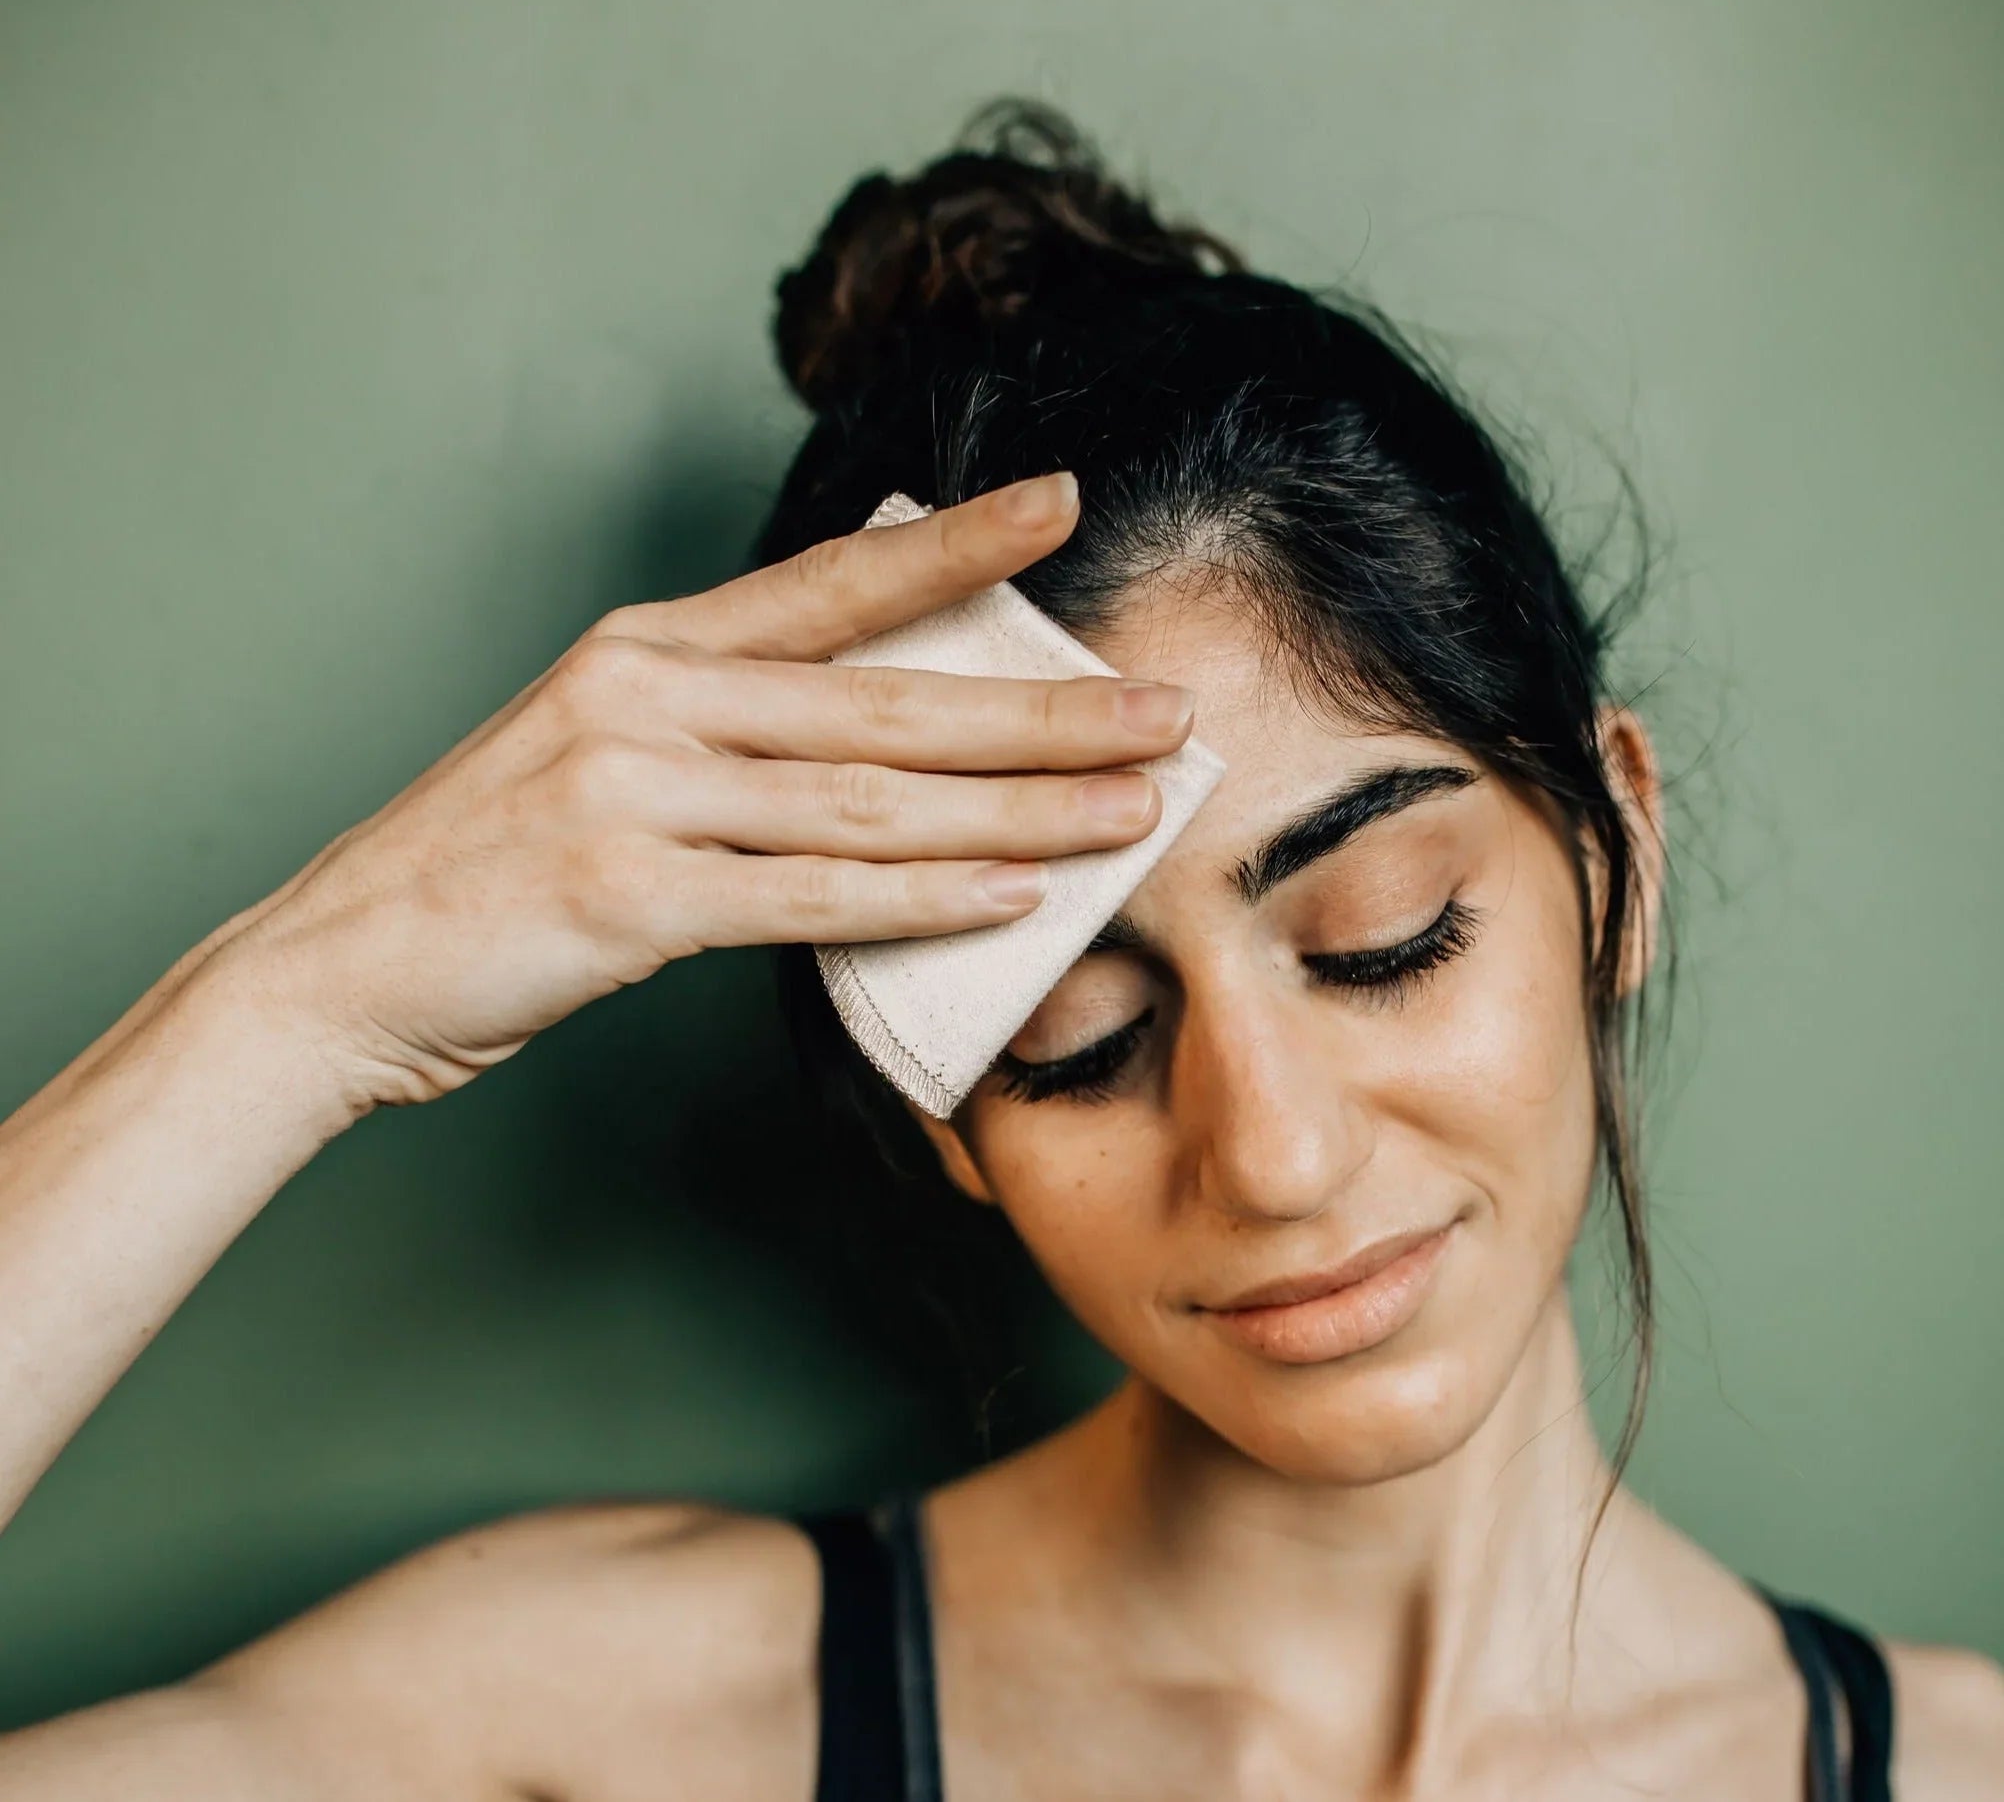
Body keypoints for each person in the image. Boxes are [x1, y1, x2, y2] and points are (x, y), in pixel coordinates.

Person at [0, 105, 1997, 1801]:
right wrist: (303, 1001)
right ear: (941, 1117)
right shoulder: (634, 1727)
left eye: (1384, 941)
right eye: (1076, 1041)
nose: (1275, 1155)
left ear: (1614, 856)